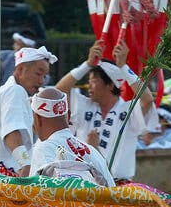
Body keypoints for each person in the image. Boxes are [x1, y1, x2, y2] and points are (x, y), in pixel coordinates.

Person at [56, 40, 155, 182]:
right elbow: (59, 91)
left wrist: (123, 67)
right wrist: (87, 65)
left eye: (93, 81)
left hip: (119, 184)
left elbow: (147, 99)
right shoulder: (84, 105)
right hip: (85, 182)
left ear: (110, 85)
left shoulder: (128, 110)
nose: (89, 86)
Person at [0, 46, 57, 175]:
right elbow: (11, 131)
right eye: (38, 73)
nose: (41, 81)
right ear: (20, 70)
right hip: (3, 173)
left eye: (44, 76)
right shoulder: (16, 91)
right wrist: (25, 164)